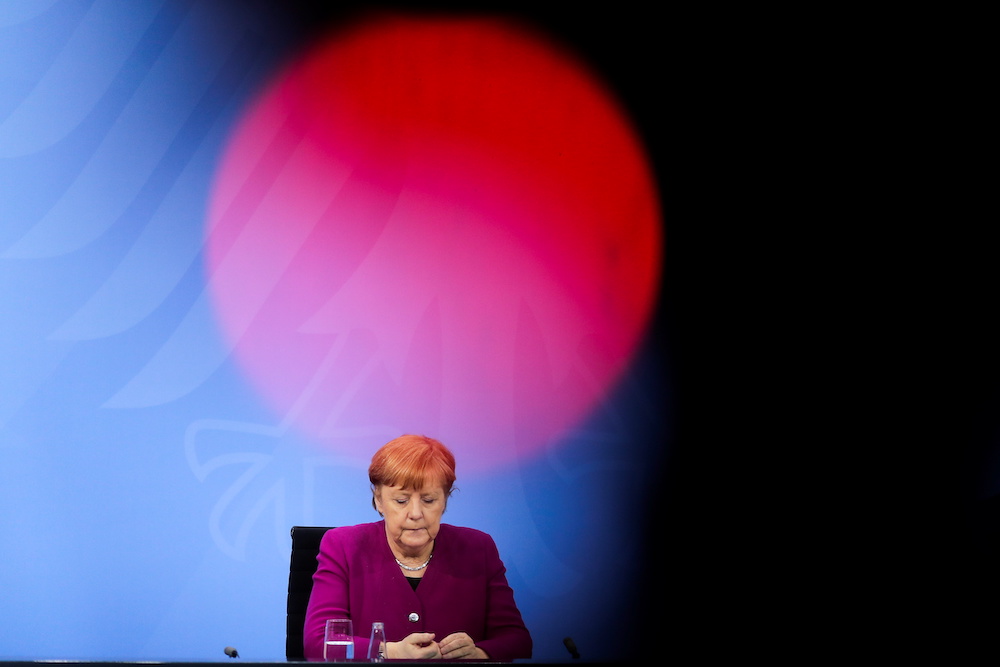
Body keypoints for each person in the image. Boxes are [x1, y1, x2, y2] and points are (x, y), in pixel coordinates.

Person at [303, 435, 533, 661]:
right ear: (379, 500)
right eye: (401, 501)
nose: (415, 513)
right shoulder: (343, 546)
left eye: (429, 500)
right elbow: (318, 643)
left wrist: (479, 653)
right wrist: (389, 652)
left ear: (445, 501)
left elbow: (516, 640)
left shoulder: (478, 548)